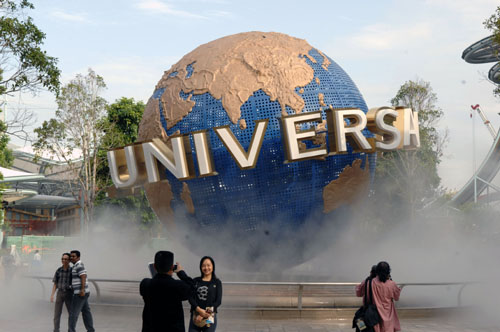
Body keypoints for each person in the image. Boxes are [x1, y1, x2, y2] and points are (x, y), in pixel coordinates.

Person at [140, 250, 194, 332]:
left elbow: (157, 283)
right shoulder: (177, 286)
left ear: (154, 266)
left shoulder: (145, 284)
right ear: (172, 267)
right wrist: (181, 272)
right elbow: (192, 288)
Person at [356, 261, 401, 332]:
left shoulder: (368, 282)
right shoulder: (392, 284)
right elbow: (396, 298)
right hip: (388, 317)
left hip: (372, 317)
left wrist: (370, 277)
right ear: (388, 272)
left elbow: (358, 293)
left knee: (362, 325)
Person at [188, 256, 222, 332]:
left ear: (213, 266)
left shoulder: (217, 282)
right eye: (203, 265)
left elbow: (218, 301)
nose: (206, 268)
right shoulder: (195, 281)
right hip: (195, 316)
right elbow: (190, 297)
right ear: (200, 267)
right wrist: (199, 310)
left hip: (209, 316)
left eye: (208, 265)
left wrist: (205, 313)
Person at [68, 250, 95, 332]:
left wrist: (82, 289)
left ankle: (71, 330)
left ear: (78, 257)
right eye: (71, 256)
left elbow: (83, 276)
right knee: (86, 312)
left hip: (80, 293)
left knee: (73, 313)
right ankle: (90, 330)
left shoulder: (79, 265)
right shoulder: (76, 265)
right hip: (83, 292)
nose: (71, 258)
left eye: (73, 256)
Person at [50, 253, 72, 332]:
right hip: (60, 293)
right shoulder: (59, 270)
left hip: (69, 294)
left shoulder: (72, 271)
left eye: (66, 259)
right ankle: (56, 329)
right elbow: (55, 283)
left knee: (71, 313)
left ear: (69, 260)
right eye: (62, 259)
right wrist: (52, 295)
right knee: (57, 314)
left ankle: (71, 329)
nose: (64, 260)